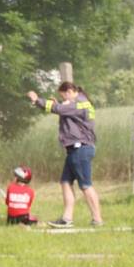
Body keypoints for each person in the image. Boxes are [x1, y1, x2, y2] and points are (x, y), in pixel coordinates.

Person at [27, 82, 103, 228]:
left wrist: (37, 100)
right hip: (74, 150)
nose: (63, 99)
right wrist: (61, 106)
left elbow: (58, 109)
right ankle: (67, 218)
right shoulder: (79, 104)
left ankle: (97, 219)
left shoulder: (80, 104)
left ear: (69, 91)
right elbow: (63, 110)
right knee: (65, 182)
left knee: (85, 185)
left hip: (80, 149)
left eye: (63, 96)